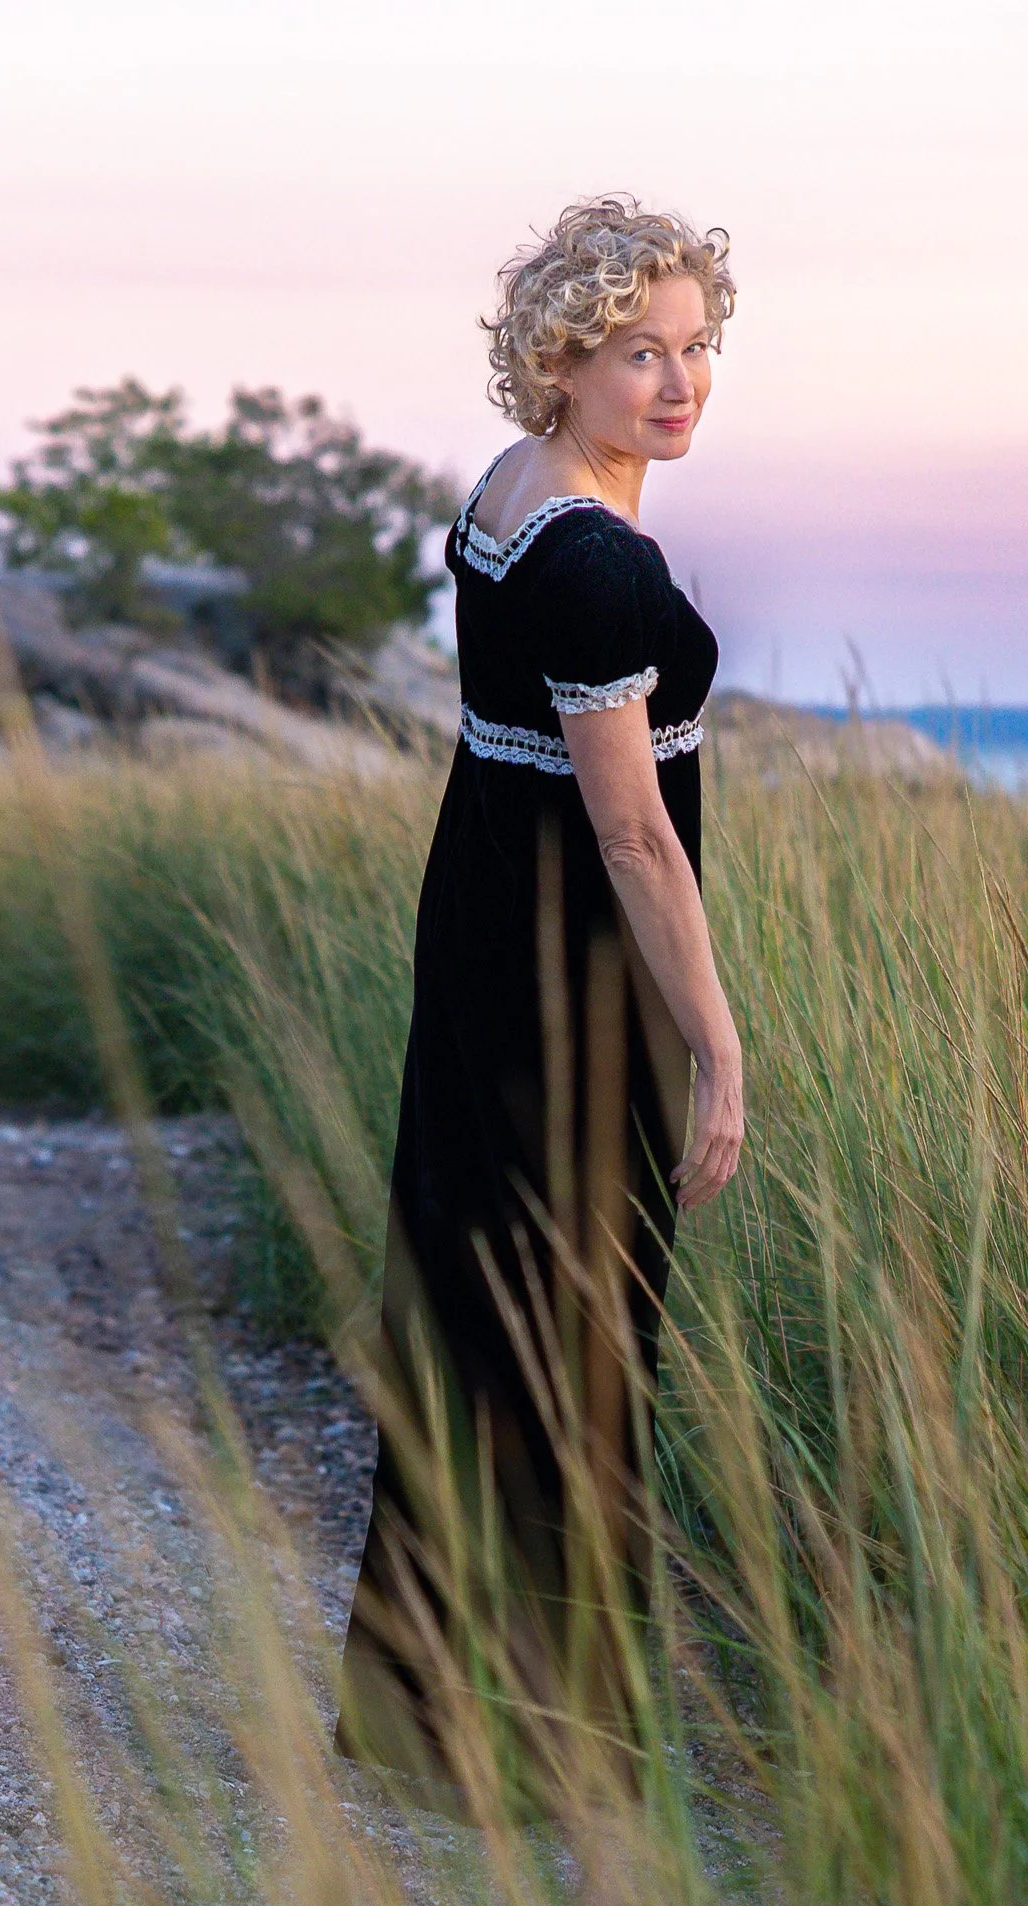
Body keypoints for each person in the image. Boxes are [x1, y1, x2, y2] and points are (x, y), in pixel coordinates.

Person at [335, 196, 746, 1819]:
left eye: (697, 345)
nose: (678, 380)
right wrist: (715, 1040)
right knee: (573, 1326)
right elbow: (634, 830)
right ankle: (544, 1753)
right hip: (576, 980)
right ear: (561, 361)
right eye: (637, 351)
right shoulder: (585, 554)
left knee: (484, 1304)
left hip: (487, 941)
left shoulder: (507, 503)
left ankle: (437, 1724)